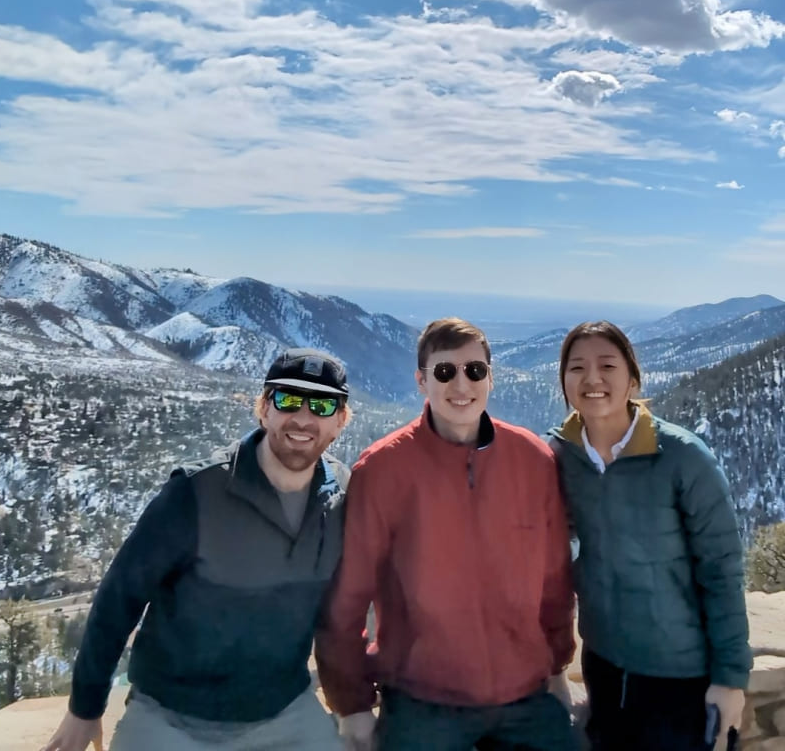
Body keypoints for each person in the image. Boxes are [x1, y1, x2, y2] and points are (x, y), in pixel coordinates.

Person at [42, 347, 353, 751]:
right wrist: (85, 710)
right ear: (263, 408)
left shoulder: (343, 498)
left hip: (284, 712)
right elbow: (119, 599)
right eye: (288, 399)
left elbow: (355, 605)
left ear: (340, 422)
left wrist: (355, 701)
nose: (304, 417)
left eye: (323, 405)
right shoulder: (195, 493)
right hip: (170, 718)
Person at [315, 317, 578, 751]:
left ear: (490, 378)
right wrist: (352, 704)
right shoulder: (383, 470)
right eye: (444, 371)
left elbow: (554, 577)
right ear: (422, 380)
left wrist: (557, 667)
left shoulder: (531, 459)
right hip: (424, 700)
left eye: (474, 370)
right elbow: (348, 597)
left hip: (524, 694)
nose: (461, 384)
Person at [547, 320, 751, 751]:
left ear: (633, 379)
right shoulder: (558, 458)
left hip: (682, 677)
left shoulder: (683, 457)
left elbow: (722, 570)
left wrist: (731, 678)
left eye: (607, 365)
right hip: (603, 668)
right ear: (564, 382)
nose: (592, 379)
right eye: (577, 368)